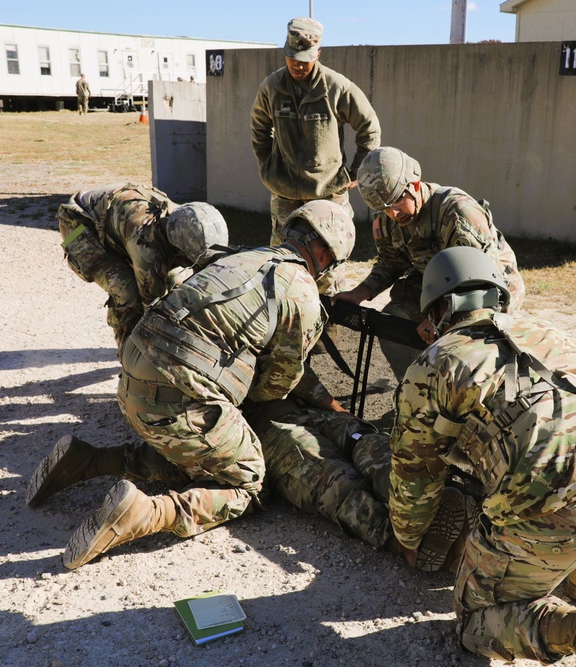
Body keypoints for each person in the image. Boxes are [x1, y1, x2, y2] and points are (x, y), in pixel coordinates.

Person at [27, 200, 355, 569]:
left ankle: (88, 461)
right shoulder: (302, 293)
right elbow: (279, 382)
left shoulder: (239, 258)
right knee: (245, 481)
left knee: (205, 457)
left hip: (134, 383)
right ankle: (144, 513)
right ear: (326, 252)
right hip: (176, 400)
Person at [388, 246, 576, 666]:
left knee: (473, 623)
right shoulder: (544, 329)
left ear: (441, 308)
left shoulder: (436, 361)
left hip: (557, 510)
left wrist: (408, 538)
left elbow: (415, 469)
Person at [332, 147, 525, 379]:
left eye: (396, 202)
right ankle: (418, 390)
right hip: (438, 284)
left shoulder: (458, 212)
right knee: (395, 321)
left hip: (486, 288)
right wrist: (359, 293)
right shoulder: (386, 218)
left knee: (464, 344)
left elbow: (483, 284)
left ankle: (462, 397)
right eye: (384, 208)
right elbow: (390, 263)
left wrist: (438, 319)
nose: (393, 214)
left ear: (414, 185)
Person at [245, 398, 475, 570]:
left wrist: (342, 413)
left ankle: (444, 502)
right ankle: (414, 543)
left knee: (369, 444)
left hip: (306, 409)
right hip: (260, 430)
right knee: (334, 480)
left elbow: (297, 373)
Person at [250, 17, 380, 248]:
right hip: (285, 193)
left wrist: (357, 170)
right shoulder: (271, 87)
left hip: (328, 192)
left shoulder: (337, 87)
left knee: (329, 261)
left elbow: (369, 128)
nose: (298, 66)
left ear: (318, 55)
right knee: (282, 262)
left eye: (305, 60)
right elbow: (259, 127)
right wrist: (267, 164)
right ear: (285, 52)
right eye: (293, 58)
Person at [56, 183, 229, 353]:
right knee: (126, 291)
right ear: (180, 250)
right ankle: (130, 358)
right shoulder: (146, 244)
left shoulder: (188, 223)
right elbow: (151, 308)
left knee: (175, 281)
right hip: (79, 223)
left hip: (115, 223)